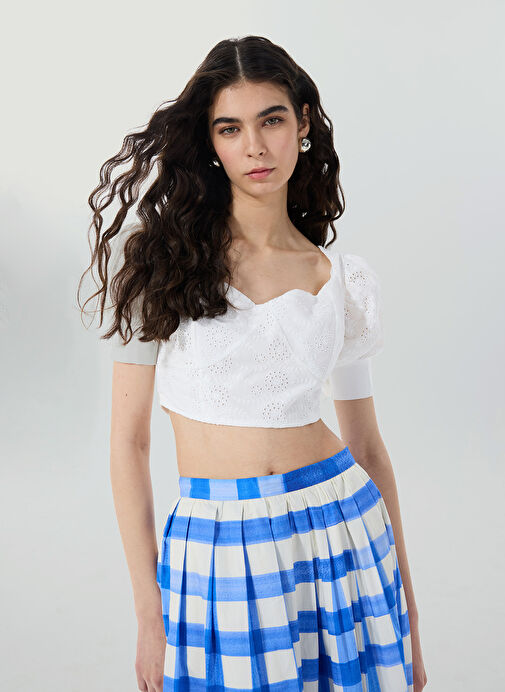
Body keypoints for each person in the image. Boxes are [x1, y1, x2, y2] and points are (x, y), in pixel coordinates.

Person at [79, 35, 426, 692]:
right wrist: (149, 616)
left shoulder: (342, 280)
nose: (255, 147)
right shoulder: (157, 260)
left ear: (302, 123)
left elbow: (368, 448)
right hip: (214, 543)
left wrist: (407, 612)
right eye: (231, 128)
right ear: (211, 142)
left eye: (271, 120)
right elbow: (128, 443)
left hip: (341, 528)